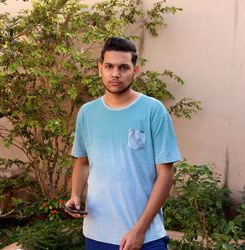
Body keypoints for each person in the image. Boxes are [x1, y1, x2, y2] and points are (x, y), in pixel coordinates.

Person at [65, 37, 181, 250]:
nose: (115, 74)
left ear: (135, 70)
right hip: (97, 233)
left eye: (123, 67)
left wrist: (139, 230)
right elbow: (83, 162)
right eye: (109, 66)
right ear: (100, 68)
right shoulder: (87, 113)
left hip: (145, 236)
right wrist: (75, 195)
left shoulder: (153, 111)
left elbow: (165, 175)